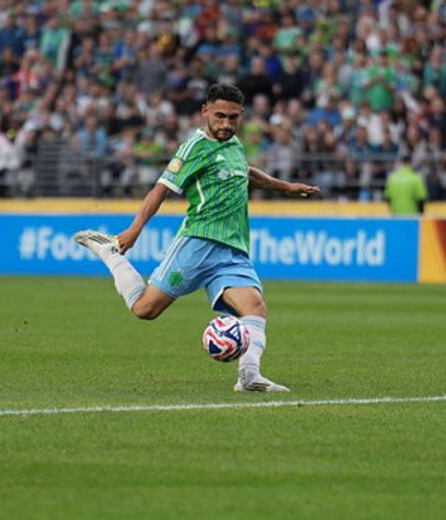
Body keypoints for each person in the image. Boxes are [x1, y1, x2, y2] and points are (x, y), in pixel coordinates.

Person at [73, 83, 320, 392]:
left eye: (233, 118)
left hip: (233, 250)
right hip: (198, 242)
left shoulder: (234, 145)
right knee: (145, 310)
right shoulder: (194, 148)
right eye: (219, 116)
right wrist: (135, 229)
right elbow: (161, 189)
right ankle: (110, 253)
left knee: (255, 308)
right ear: (205, 111)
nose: (226, 124)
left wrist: (286, 187)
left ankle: (249, 377)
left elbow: (245, 172)